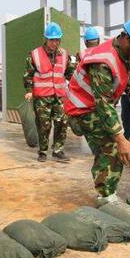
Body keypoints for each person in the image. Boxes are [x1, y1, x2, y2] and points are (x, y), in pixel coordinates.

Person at [64, 14, 130, 205]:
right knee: (114, 147)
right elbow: (103, 105)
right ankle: (105, 196)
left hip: (92, 107)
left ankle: (106, 187)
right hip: (81, 110)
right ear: (127, 39)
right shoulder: (103, 62)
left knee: (110, 146)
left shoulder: (124, 54)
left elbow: (126, 76)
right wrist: (120, 138)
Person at [23, 22, 75, 163]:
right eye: (52, 40)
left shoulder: (64, 55)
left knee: (62, 122)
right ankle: (43, 151)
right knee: (43, 124)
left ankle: (58, 150)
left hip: (59, 96)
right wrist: (28, 90)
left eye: (57, 40)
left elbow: (70, 73)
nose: (55, 43)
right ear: (46, 39)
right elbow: (28, 75)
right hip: (42, 97)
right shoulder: (34, 55)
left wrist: (78, 87)